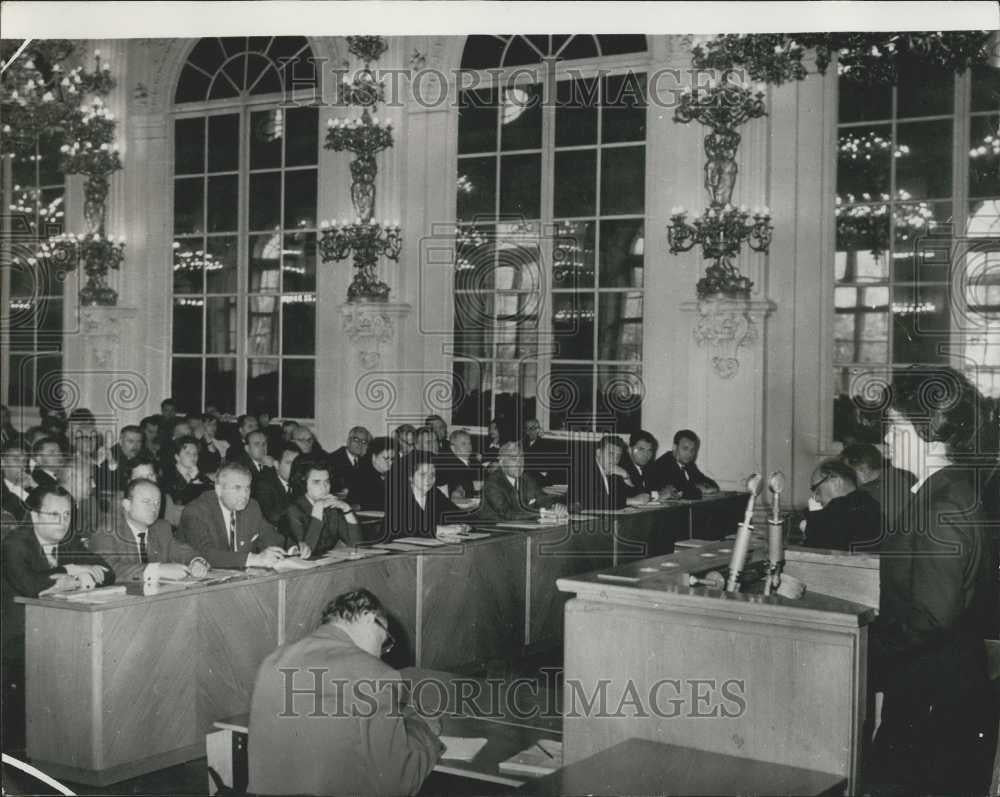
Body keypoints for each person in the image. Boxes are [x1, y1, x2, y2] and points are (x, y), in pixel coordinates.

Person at [868, 367, 998, 794]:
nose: (885, 438)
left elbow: (932, 617)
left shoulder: (942, 505)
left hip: (933, 697)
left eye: (892, 425)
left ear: (923, 430)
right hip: (938, 687)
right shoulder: (945, 490)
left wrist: (865, 646)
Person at [248, 589, 443, 796]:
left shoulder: (273, 661)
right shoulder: (375, 673)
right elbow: (399, 784)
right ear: (369, 619)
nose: (381, 653)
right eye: (384, 641)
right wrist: (424, 731)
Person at [2, 484, 114, 753]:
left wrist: (75, 576)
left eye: (67, 515)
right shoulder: (14, 544)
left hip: (54, 633)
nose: (63, 522)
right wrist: (71, 570)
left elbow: (107, 572)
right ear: (34, 516)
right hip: (14, 641)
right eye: (55, 515)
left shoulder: (68, 540)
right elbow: (30, 586)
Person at [88, 478, 210, 582]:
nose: (153, 508)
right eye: (147, 502)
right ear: (127, 505)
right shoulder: (107, 531)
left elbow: (182, 551)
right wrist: (158, 570)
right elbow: (107, 569)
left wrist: (196, 562)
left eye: (157, 503)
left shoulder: (161, 528)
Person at [176, 462, 287, 570]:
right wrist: (255, 559)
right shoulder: (196, 512)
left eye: (247, 488)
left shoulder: (251, 507)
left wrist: (292, 549)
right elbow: (206, 554)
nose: (244, 495)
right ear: (219, 489)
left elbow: (269, 536)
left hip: (239, 579)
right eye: (237, 488)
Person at [279, 459, 365, 557]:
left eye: (327, 481)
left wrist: (347, 509)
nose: (324, 487)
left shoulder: (332, 508)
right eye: (316, 482)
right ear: (304, 484)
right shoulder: (293, 510)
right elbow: (306, 552)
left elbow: (357, 545)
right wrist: (317, 512)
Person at [382, 452, 469, 540]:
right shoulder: (398, 496)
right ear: (410, 477)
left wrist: (463, 525)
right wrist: (439, 529)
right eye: (423, 475)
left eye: (432, 474)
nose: (429, 479)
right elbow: (409, 527)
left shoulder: (434, 493)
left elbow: (456, 514)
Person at [839, 443, 916, 543]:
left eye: (846, 472)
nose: (844, 477)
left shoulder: (863, 496)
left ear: (863, 469)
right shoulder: (905, 476)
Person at [799, 459, 882, 551]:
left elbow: (812, 551)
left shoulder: (836, 511)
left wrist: (812, 518)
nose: (817, 498)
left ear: (836, 483)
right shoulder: (871, 504)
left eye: (817, 490)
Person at [480, 442, 566, 522]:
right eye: (514, 459)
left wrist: (555, 506)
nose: (519, 463)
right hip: (495, 531)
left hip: (522, 529)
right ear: (502, 462)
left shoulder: (527, 479)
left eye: (521, 458)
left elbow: (542, 498)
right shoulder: (492, 483)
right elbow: (507, 513)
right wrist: (542, 513)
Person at [568, 436, 649, 512]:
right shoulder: (585, 470)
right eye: (611, 454)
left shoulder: (614, 471)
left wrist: (625, 475)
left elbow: (637, 495)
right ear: (598, 452)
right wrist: (629, 501)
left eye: (618, 456)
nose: (615, 460)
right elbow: (591, 501)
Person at [160, 436, 214, 523]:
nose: (193, 457)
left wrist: (197, 476)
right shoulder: (168, 474)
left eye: (195, 454)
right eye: (188, 453)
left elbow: (211, 492)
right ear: (177, 457)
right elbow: (180, 499)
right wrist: (194, 480)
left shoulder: (197, 472)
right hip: (177, 520)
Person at [653, 429, 719, 499]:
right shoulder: (664, 464)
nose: (689, 454)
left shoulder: (689, 464)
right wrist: (699, 488)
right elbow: (683, 492)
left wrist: (703, 488)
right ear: (674, 447)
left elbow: (711, 483)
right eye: (685, 449)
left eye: (692, 450)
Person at [621, 430, 680, 499]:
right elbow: (634, 495)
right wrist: (658, 495)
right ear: (630, 450)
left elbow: (658, 487)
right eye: (641, 449)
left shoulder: (650, 467)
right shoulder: (623, 468)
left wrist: (669, 490)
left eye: (649, 450)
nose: (646, 455)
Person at [254, 442, 299, 525]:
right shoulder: (264, 485)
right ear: (277, 465)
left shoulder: (302, 484)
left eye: (297, 463)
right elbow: (272, 517)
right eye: (289, 463)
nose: (294, 467)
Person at [350, 437, 395, 511]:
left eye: (392, 459)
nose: (390, 463)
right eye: (386, 458)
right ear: (374, 457)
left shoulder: (393, 474)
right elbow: (361, 505)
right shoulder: (361, 476)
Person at [434, 429, 481, 499]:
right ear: (453, 448)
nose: (469, 447)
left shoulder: (473, 460)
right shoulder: (450, 464)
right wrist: (475, 485)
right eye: (463, 444)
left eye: (470, 443)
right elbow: (461, 488)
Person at [329, 426, 371, 494]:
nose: (360, 444)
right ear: (348, 441)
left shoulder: (365, 461)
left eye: (364, 442)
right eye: (356, 440)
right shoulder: (333, 459)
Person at [1, 445, 31, 524]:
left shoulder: (31, 487)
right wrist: (18, 490)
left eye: (24, 461)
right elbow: (4, 519)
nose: (22, 465)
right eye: (16, 459)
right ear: (3, 462)